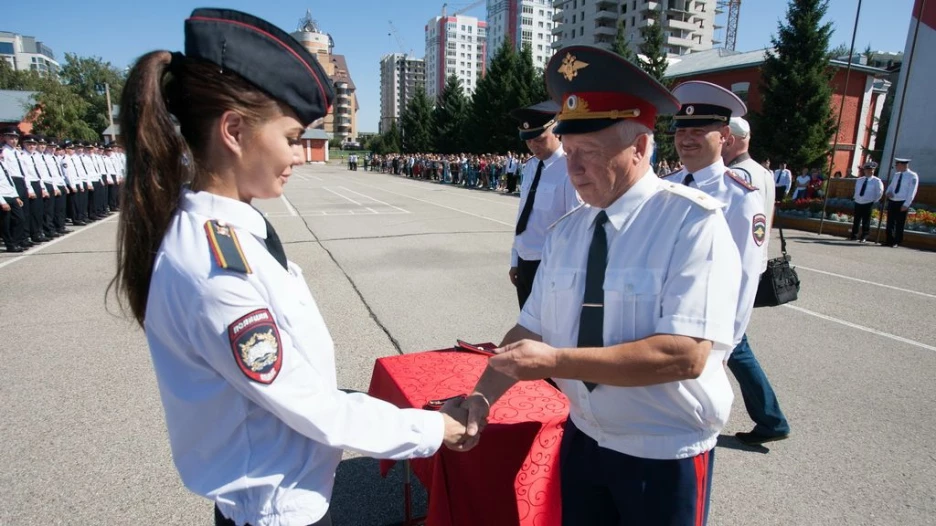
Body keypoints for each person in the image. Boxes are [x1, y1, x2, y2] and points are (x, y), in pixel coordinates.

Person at [109, 9, 468, 526]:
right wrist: (436, 430)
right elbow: (311, 408)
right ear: (233, 130)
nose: (299, 155)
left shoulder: (234, 234)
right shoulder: (217, 269)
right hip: (275, 512)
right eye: (292, 136)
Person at [455, 45, 742, 526]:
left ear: (641, 147)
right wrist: (479, 400)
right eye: (569, 152)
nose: (574, 168)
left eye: (590, 152)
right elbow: (531, 329)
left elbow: (685, 354)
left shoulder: (692, 223)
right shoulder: (568, 231)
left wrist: (556, 362)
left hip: (662, 450)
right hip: (585, 437)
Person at [665, 82, 789, 446]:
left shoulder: (740, 196)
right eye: (682, 130)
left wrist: (724, 349)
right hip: (660, 320)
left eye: (699, 130)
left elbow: (746, 276)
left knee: (690, 429)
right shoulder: (666, 184)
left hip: (705, 327)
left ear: (723, 135)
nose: (687, 138)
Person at [508, 100, 580, 309]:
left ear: (555, 130)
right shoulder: (530, 166)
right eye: (528, 141)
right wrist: (515, 259)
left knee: (549, 331)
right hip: (524, 260)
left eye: (539, 139)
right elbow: (524, 215)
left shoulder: (569, 169)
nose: (533, 145)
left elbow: (575, 225)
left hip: (549, 264)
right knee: (527, 326)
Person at [884, 158, 920, 248]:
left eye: (897, 165)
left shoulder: (912, 176)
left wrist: (906, 204)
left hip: (902, 202)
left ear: (903, 165)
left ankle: (897, 241)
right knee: (890, 222)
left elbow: (912, 191)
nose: (896, 167)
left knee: (899, 223)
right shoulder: (896, 175)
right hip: (893, 200)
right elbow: (891, 186)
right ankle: (889, 240)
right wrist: (888, 192)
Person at [0, 145, 27, 252]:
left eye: (1, 152)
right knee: (5, 223)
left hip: (11, 195)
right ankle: (10, 245)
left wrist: (16, 196)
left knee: (20, 218)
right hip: (3, 197)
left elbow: (10, 181)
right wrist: (2, 202)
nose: (1, 154)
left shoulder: (3, 164)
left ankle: (16, 241)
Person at [850, 161, 883, 243]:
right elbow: (856, 190)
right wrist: (855, 198)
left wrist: (874, 200)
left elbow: (880, 192)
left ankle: (864, 236)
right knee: (856, 219)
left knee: (866, 220)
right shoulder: (860, 180)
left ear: (873, 170)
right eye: (867, 170)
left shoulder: (877, 181)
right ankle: (854, 235)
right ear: (864, 170)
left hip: (868, 203)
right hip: (858, 202)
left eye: (871, 170)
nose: (869, 171)